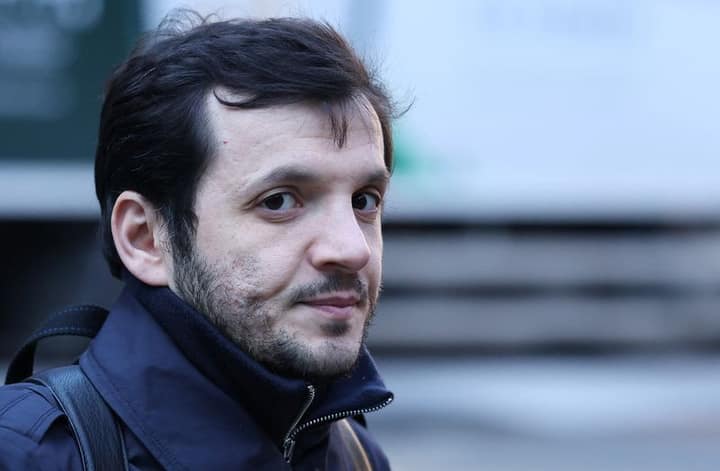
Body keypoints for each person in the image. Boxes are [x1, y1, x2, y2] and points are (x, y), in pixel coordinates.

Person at [0, 10, 396, 470]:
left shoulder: (355, 454)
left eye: (364, 200)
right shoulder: (27, 456)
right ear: (145, 238)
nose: (352, 248)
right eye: (279, 201)